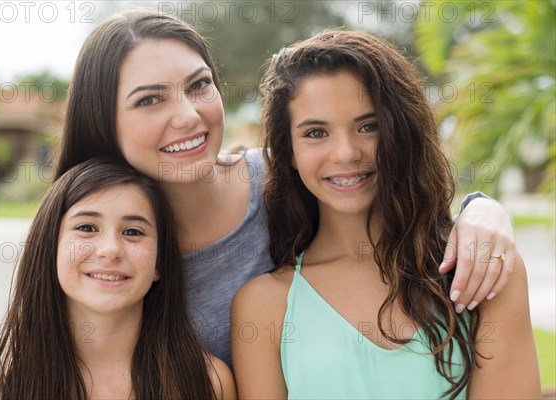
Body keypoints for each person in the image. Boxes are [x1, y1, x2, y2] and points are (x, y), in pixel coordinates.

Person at [54, 9, 517, 366]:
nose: (189, 116)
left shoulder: (284, 177)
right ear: (102, 119)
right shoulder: (97, 242)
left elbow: (398, 202)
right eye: (150, 99)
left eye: (199, 86)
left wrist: (481, 209)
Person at [231, 29, 540, 399]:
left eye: (368, 126)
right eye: (316, 132)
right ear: (290, 153)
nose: (346, 153)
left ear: (400, 130)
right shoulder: (263, 306)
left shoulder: (481, 269)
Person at [0, 157, 235, 399]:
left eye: (133, 232)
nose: (111, 250)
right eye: (86, 228)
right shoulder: (0, 390)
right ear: (50, 247)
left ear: (159, 263)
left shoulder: (209, 383)